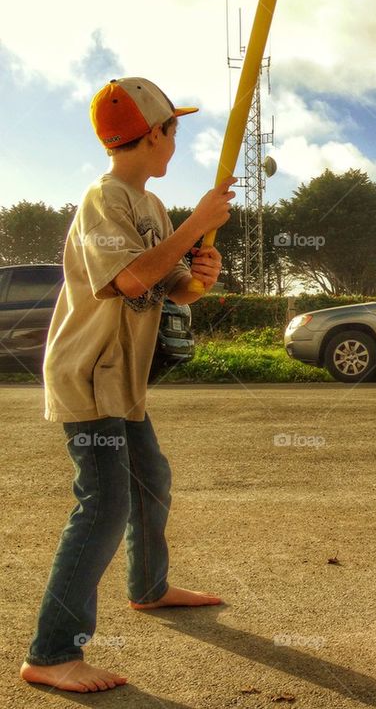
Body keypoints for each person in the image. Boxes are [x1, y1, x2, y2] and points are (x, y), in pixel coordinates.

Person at [20, 77, 237, 693]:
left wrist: (199, 274)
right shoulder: (104, 199)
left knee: (150, 480)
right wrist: (197, 222)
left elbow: (166, 286)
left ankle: (149, 587)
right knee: (104, 504)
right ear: (153, 134)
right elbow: (128, 279)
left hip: (125, 379)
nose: (177, 142)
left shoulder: (151, 208)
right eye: (174, 130)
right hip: (89, 373)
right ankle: (52, 652)